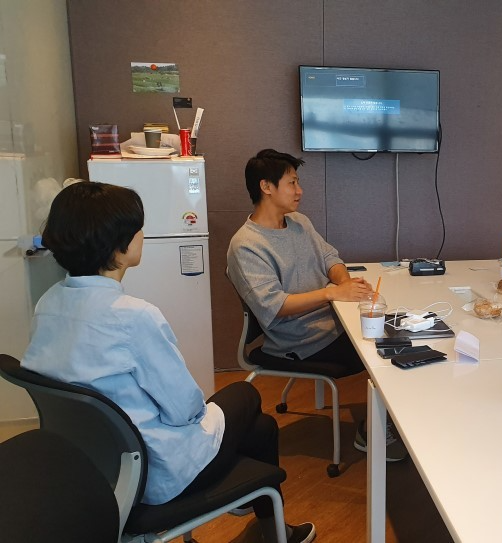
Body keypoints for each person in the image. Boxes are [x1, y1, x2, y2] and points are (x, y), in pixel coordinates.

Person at [22, 182, 315, 543]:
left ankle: (268, 520)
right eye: (138, 228)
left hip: (91, 463)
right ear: (120, 243)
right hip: (152, 474)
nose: (142, 235)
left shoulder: (48, 303)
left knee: (262, 428)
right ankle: (275, 529)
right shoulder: (132, 317)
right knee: (246, 395)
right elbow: (185, 410)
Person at [226, 149, 405, 461]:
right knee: (393, 347)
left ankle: (394, 419)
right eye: (292, 183)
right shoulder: (246, 246)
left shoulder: (298, 222)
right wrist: (332, 294)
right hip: (300, 340)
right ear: (266, 187)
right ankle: (373, 433)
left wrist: (345, 285)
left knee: (402, 325)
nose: (299, 190)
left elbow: (330, 258)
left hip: (335, 321)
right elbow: (274, 306)